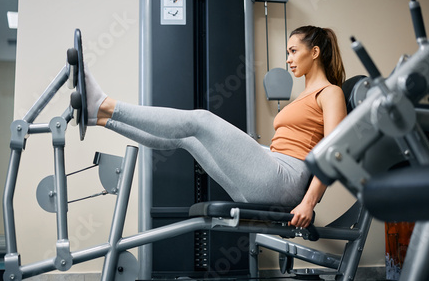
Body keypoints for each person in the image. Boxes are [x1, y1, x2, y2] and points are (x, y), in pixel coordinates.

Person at [84, 25, 346, 228]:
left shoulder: (331, 92)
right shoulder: (301, 96)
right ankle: (99, 118)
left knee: (201, 120)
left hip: (286, 181)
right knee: (189, 139)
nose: (288, 59)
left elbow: (334, 152)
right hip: (273, 169)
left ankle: (106, 104)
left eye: (293, 51)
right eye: (287, 53)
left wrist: (309, 203)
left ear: (314, 52)